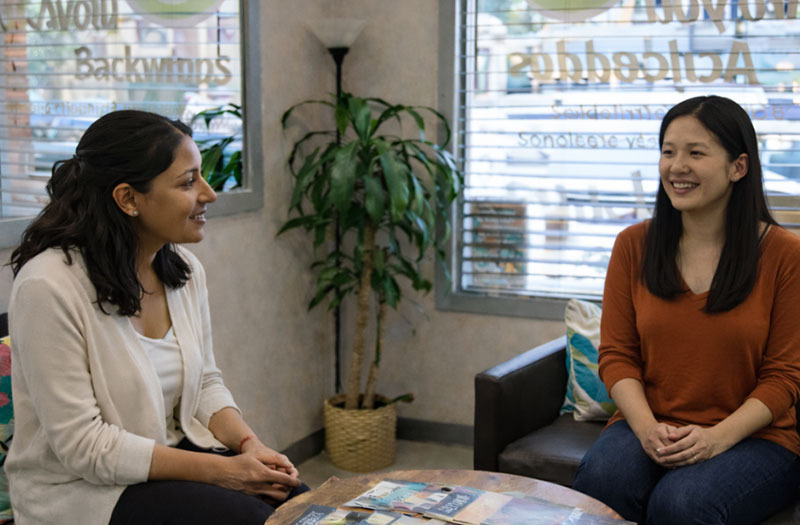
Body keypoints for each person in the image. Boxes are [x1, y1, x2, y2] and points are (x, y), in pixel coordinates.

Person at [6, 110, 308, 525]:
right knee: (254, 518)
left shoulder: (183, 270)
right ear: (128, 199)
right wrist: (224, 472)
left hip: (166, 460)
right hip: (81, 491)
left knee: (299, 500)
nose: (209, 194)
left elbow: (204, 384)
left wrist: (248, 446)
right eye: (188, 182)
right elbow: (84, 447)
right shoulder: (48, 286)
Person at [572, 95, 800, 524]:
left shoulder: (785, 255)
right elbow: (617, 356)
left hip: (755, 437)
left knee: (682, 503)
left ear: (738, 167)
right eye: (668, 152)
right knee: (603, 481)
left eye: (696, 153)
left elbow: (784, 377)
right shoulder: (632, 245)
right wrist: (646, 429)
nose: (677, 167)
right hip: (651, 422)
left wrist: (715, 439)